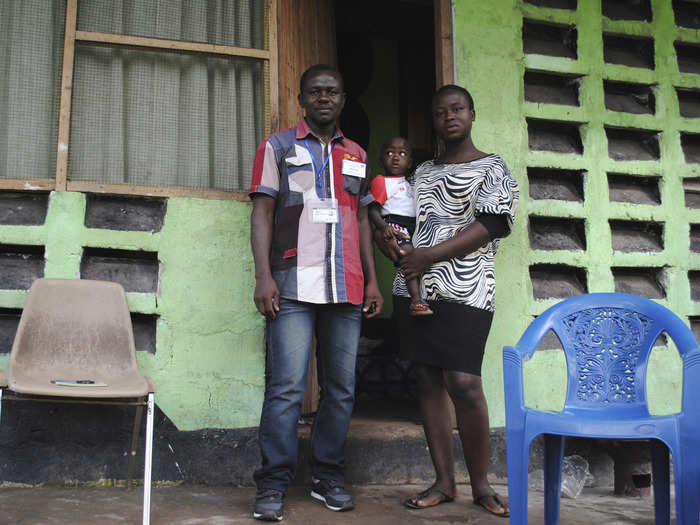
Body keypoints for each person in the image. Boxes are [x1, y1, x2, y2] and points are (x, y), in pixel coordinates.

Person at [248, 64, 383, 522]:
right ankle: (272, 484)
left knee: (341, 389)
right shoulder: (278, 146)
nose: (324, 98)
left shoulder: (359, 154)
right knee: (286, 388)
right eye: (315, 92)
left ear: (343, 100)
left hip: (346, 288)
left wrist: (373, 279)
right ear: (302, 99)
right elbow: (263, 212)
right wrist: (263, 275)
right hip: (290, 284)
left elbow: (363, 219)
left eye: (332, 91)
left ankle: (327, 476)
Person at [380, 85, 518, 517]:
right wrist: (394, 247)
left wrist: (429, 256)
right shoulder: (420, 173)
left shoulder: (492, 167)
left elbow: (491, 225)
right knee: (426, 380)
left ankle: (481, 484)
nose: (449, 117)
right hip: (415, 288)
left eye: (457, 109)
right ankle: (443, 480)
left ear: (472, 114)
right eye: (440, 112)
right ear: (433, 121)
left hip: (468, 288)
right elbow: (403, 223)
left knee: (464, 384)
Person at [368, 137, 433, 316]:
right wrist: (383, 227)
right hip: (394, 223)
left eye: (402, 154)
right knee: (407, 255)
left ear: (410, 161)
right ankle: (416, 300)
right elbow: (373, 210)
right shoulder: (381, 181)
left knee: (417, 256)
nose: (395, 158)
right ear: (381, 159)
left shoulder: (409, 184)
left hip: (411, 225)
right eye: (390, 153)